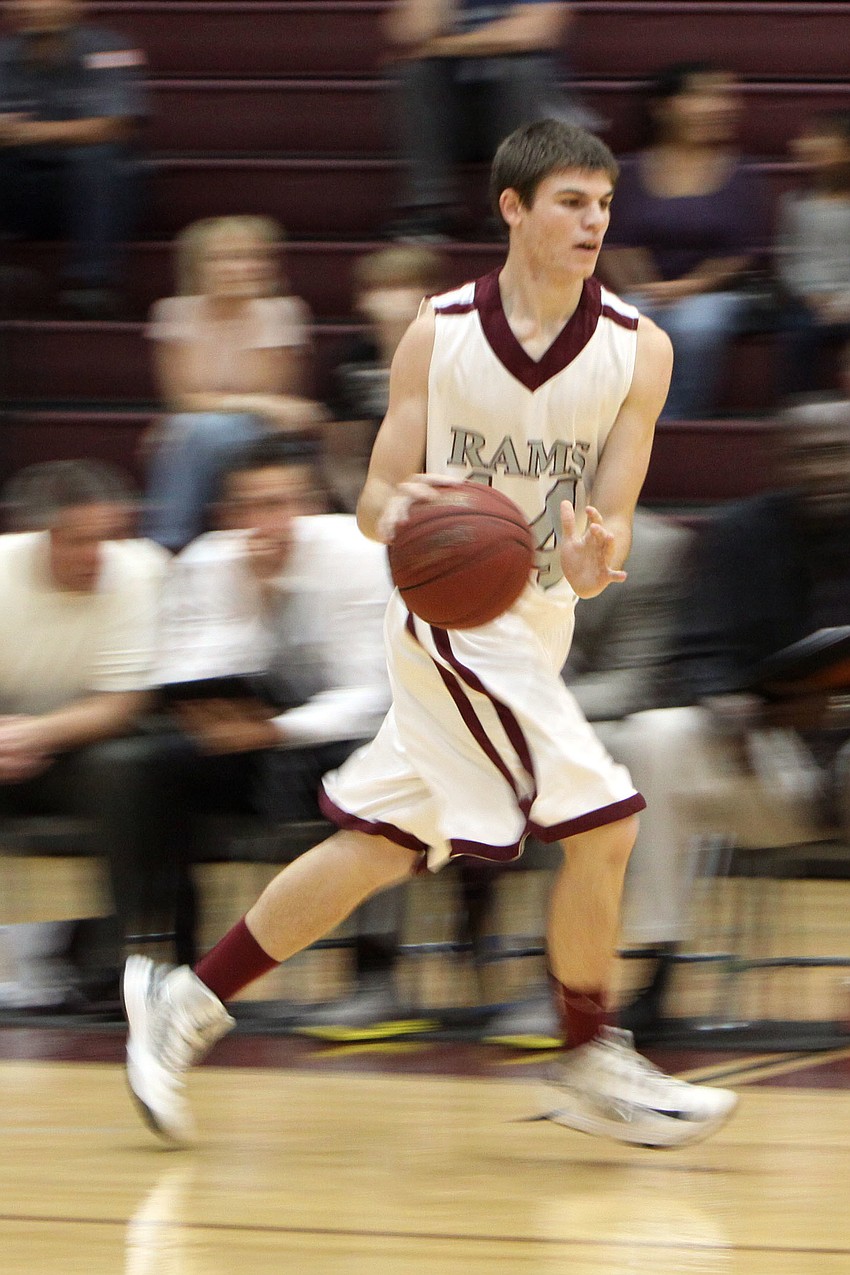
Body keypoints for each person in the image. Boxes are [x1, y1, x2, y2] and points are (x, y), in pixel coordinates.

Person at [122, 119, 737, 1149]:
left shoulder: (641, 348)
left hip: (539, 623)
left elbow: (613, 510)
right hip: (447, 619)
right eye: (569, 203)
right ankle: (589, 1052)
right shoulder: (439, 332)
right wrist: (406, 510)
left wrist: (595, 555)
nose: (592, 222)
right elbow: (368, 500)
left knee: (380, 845)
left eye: (602, 204)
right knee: (608, 820)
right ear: (512, 208)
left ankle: (185, 1001)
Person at [109, 433, 399, 996]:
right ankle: (172, 965)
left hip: (336, 739)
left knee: (375, 771)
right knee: (144, 765)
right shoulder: (209, 559)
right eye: (249, 506)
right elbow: (182, 666)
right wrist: (256, 603)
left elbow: (368, 693)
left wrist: (274, 728)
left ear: (311, 504)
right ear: (228, 512)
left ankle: (371, 978)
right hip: (243, 743)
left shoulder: (358, 557)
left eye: (280, 502)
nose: (264, 520)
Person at [0, 459, 167, 1008]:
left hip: (82, 750)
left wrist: (32, 734)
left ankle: (111, 961)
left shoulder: (140, 571)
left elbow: (123, 704)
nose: (96, 555)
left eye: (107, 537)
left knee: (123, 768)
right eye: (78, 541)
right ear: (41, 535)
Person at [142, 215, 325, 552]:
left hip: (262, 433)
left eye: (252, 257)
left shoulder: (282, 313)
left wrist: (238, 404)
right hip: (205, 427)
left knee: (193, 433)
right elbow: (182, 399)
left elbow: (279, 402)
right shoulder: (173, 314)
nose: (241, 267)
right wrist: (252, 402)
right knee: (197, 430)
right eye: (226, 257)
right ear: (198, 265)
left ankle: (165, 543)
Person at [600, 62, 768, 419]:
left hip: (716, 293)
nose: (720, 105)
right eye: (704, 94)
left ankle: (674, 424)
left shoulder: (741, 174)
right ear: (663, 107)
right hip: (645, 287)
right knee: (627, 319)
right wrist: (647, 288)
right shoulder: (628, 171)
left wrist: (686, 288)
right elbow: (615, 242)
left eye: (724, 96)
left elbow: (741, 253)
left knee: (697, 323)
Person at [384, 0, 590, 240]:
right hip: (461, 119)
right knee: (417, 72)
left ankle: (517, 206)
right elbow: (410, 30)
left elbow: (531, 34)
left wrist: (445, 46)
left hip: (533, 116)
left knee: (522, 67)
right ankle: (430, 209)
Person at [0, 0, 147, 317]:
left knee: (99, 157)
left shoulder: (111, 48)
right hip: (22, 190)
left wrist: (25, 133)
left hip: (94, 194)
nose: (34, 6)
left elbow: (116, 125)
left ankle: (91, 283)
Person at [324, 243, 446, 511]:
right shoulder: (352, 361)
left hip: (445, 489)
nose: (393, 299)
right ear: (362, 299)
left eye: (403, 286)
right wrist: (365, 509)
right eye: (381, 288)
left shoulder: (455, 352)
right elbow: (342, 457)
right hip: (377, 497)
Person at [775, 111, 850, 399]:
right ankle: (797, 407)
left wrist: (844, 301)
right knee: (797, 335)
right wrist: (810, 295)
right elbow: (789, 261)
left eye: (823, 139)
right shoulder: (795, 204)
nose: (810, 145)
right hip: (810, 300)